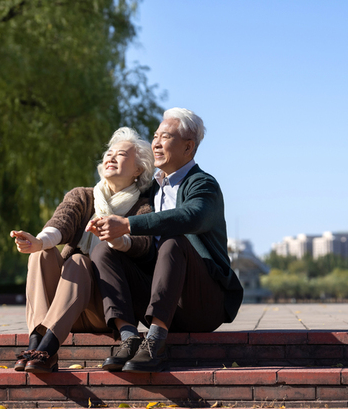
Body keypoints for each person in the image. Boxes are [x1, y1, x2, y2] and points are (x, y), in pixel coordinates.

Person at [87, 108, 244, 373]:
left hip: (202, 303)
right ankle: (128, 338)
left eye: (166, 137)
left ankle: (155, 344)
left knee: (173, 242)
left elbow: (191, 217)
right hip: (159, 298)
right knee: (105, 250)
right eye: (155, 136)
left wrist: (127, 224)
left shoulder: (203, 185)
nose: (156, 143)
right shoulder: (151, 189)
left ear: (188, 147)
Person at [9, 127, 154, 373]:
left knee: (78, 261)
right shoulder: (83, 197)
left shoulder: (143, 208)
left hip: (103, 309)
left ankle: (49, 346)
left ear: (138, 170)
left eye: (121, 154)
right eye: (109, 153)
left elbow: (144, 245)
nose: (111, 157)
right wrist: (39, 241)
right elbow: (61, 223)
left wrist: (117, 238)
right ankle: (37, 343)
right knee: (41, 253)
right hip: (63, 309)